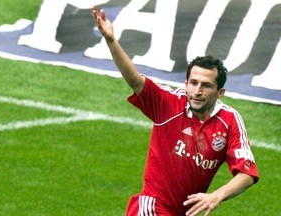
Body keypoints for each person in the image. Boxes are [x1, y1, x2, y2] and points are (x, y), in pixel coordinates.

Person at [91, 6, 259, 216]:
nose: (197, 91)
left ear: (220, 92)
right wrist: (110, 40)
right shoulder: (169, 103)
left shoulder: (230, 121)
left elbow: (247, 174)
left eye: (206, 85)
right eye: (193, 83)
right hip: (151, 207)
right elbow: (135, 79)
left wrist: (217, 195)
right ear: (186, 83)